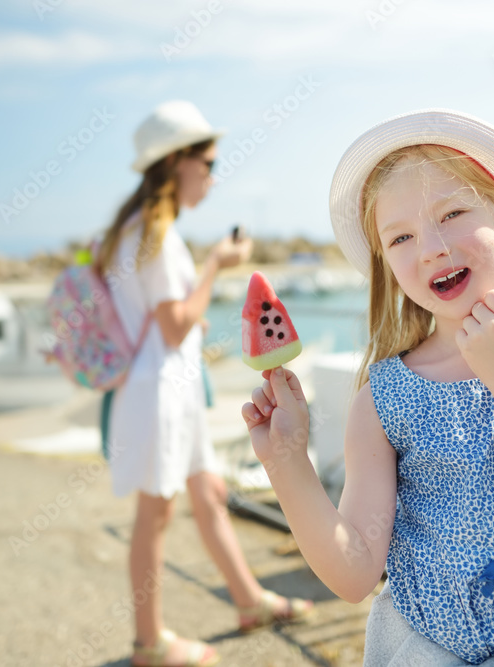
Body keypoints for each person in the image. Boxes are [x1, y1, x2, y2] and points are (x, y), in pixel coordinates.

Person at [241, 109, 494, 666]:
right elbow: (355, 572)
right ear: (387, 261)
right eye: (400, 236)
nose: (430, 247)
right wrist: (286, 462)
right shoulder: (384, 398)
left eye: (451, 213)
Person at [98, 100, 314, 667]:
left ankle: (250, 601)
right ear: (177, 163)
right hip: (159, 390)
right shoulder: (157, 237)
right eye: (209, 163)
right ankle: (150, 644)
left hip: (169, 389)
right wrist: (217, 262)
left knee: (209, 492)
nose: (214, 177)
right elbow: (174, 325)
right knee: (156, 514)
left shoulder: (134, 231)